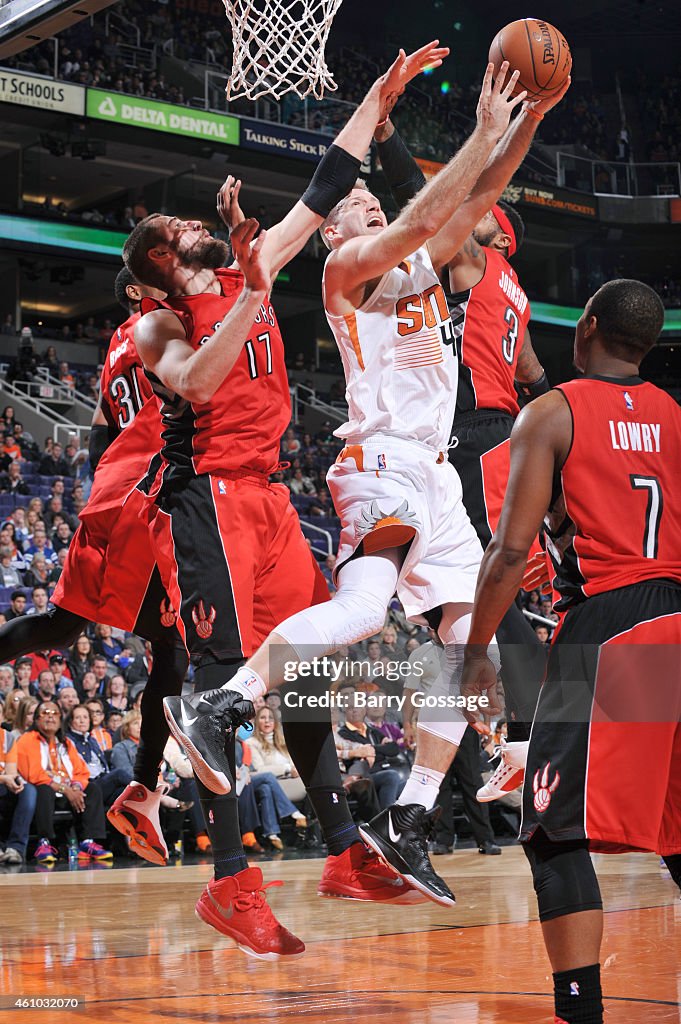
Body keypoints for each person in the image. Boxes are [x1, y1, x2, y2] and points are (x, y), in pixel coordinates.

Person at [174, 61, 567, 907]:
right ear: (332, 230)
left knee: (474, 650)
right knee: (358, 612)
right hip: (379, 462)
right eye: (357, 203)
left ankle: (410, 818)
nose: (370, 207)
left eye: (373, 202)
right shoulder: (344, 268)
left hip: (435, 479)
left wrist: (524, 119)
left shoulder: (432, 266)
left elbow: (477, 194)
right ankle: (225, 706)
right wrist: (474, 129)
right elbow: (427, 208)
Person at [132, 45, 447, 958]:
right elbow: (196, 382)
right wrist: (251, 292)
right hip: (209, 504)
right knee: (213, 687)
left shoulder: (255, 257)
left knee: (302, 674)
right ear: (160, 255)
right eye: (174, 222)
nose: (195, 220)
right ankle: (230, 882)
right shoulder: (159, 320)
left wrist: (373, 101)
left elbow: (327, 180)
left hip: (270, 499)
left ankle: (344, 853)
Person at [460, 280, 681, 1024]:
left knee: (551, 828)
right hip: (675, 619)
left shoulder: (551, 413)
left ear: (585, 327)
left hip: (609, 623)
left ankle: (577, 1011)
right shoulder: (676, 416)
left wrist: (475, 651)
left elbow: (508, 547)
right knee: (675, 833)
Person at [9, 701, 112, 864]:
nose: (50, 717)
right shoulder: (26, 740)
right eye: (45, 713)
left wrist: (76, 787)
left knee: (92, 788)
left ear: (60, 719)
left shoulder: (66, 742)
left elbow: (81, 771)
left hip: (68, 792)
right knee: (43, 789)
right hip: (45, 794)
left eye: (54, 713)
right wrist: (66, 790)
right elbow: (34, 775)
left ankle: (88, 842)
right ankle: (44, 843)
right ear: (36, 719)